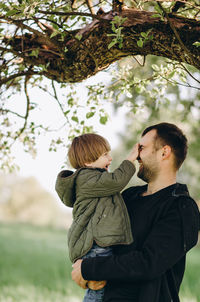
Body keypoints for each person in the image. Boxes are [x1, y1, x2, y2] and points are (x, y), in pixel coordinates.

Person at [71, 122, 200, 302]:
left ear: (164, 152)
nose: (137, 156)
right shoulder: (129, 196)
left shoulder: (182, 207)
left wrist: (89, 268)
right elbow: (98, 237)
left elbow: (148, 263)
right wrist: (88, 276)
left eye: (142, 148)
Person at [55, 133, 139, 302]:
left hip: (95, 245)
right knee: (98, 290)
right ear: (88, 161)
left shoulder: (93, 179)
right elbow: (117, 180)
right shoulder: (88, 178)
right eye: (105, 155)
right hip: (95, 246)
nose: (110, 157)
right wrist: (131, 158)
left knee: (100, 289)